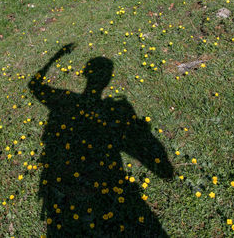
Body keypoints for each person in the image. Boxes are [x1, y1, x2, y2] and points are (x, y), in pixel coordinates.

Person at [28, 44, 173, 237]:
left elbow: (34, 86)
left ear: (85, 74)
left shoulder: (68, 101)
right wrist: (161, 166)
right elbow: (136, 143)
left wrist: (57, 57)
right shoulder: (116, 109)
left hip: (69, 181)